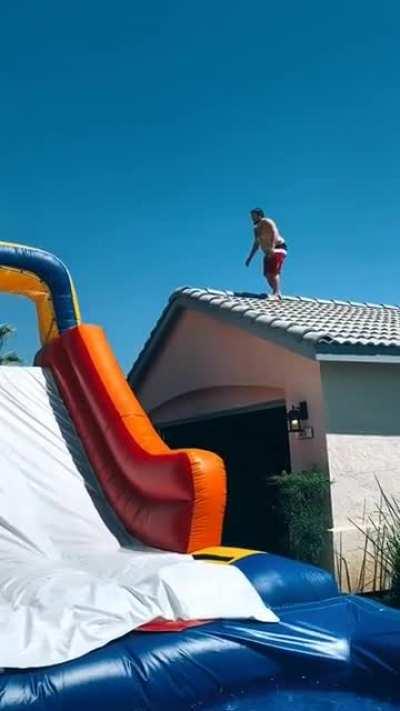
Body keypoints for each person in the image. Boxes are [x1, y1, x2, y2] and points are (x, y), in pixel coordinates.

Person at [245, 208, 287, 299]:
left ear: (259, 215)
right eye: (251, 216)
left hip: (277, 248)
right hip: (268, 252)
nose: (252, 218)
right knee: (267, 274)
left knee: (273, 272)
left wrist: (272, 247)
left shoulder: (266, 221)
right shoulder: (256, 229)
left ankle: (276, 293)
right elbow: (256, 244)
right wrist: (250, 258)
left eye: (254, 216)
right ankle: (277, 292)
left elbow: (275, 232)